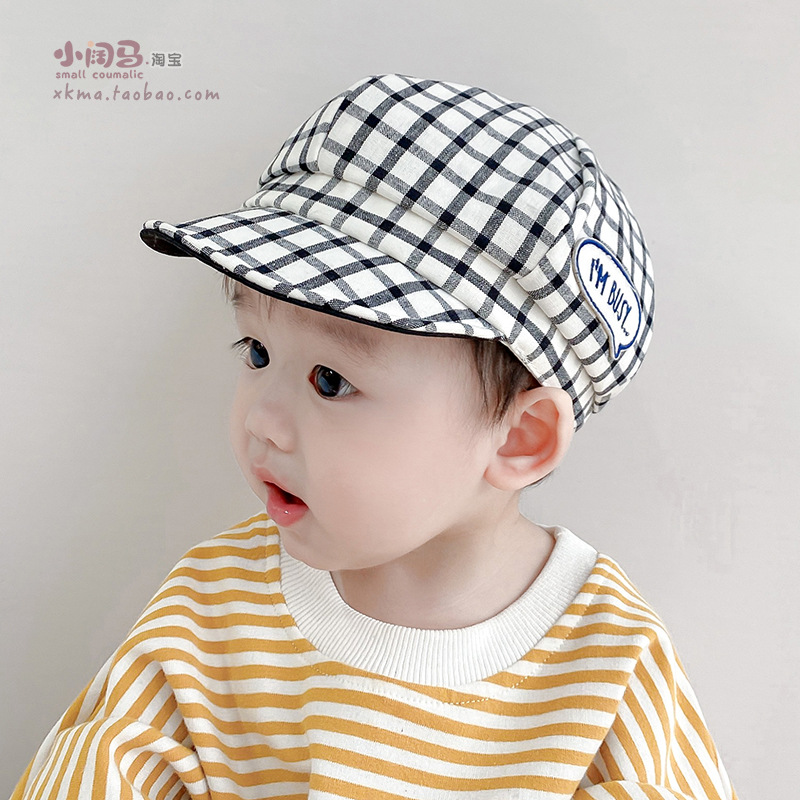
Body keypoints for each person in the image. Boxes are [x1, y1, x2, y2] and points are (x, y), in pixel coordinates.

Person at [12, 74, 736, 800]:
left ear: (519, 438)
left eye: (330, 380)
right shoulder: (212, 615)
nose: (260, 418)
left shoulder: (605, 666)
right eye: (257, 351)